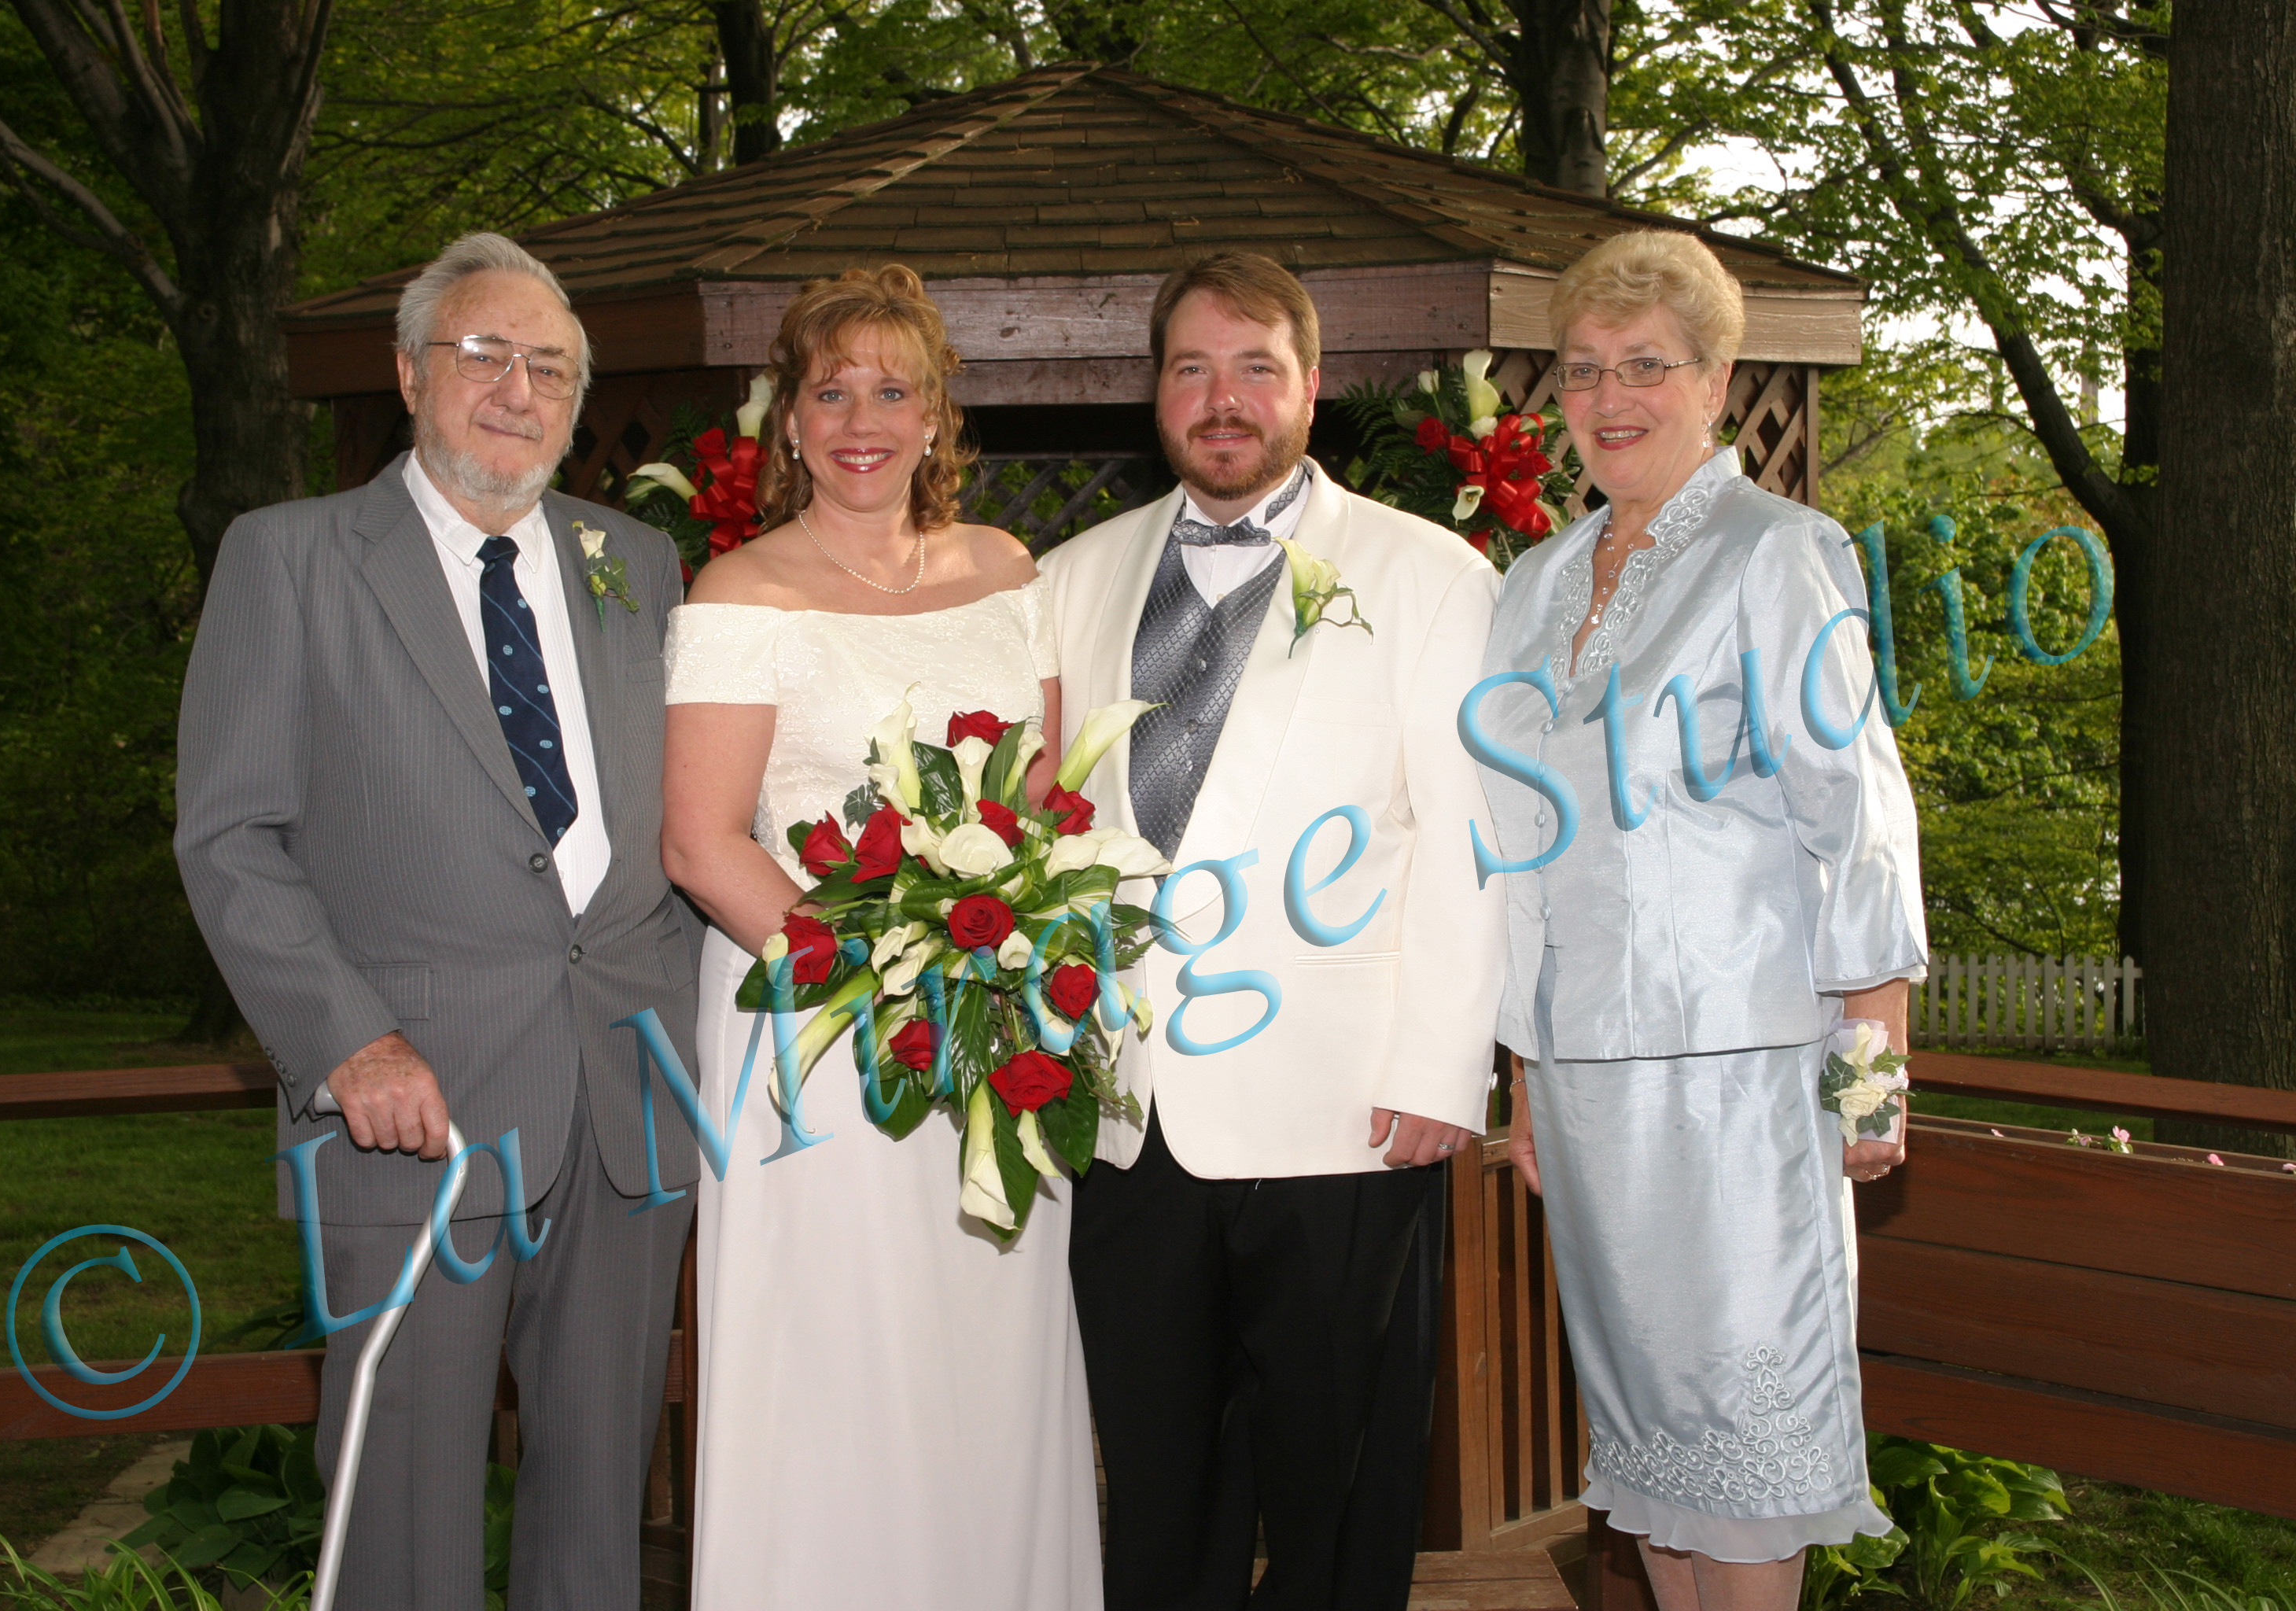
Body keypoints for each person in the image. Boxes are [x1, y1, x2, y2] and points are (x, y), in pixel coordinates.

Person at [175, 232, 702, 1611]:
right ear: (410, 373)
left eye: (551, 367)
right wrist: (347, 1043)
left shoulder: (637, 561)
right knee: (402, 1512)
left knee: (601, 1510)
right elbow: (229, 838)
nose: (519, 389)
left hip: (629, 1103)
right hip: (409, 1108)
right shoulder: (290, 557)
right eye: (485, 353)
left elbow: (693, 816)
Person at [1040, 250, 1505, 1610]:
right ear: (1156, 392)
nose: (1222, 398)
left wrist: (1442, 1071)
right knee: (1157, 1477)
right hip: (1129, 1114)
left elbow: (1473, 836)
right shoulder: (1073, 576)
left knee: (1336, 1484)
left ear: (1312, 389)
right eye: (1191, 368)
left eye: (1256, 368)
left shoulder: (1429, 574)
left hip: (1344, 1113)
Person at [1473, 229, 1926, 1611]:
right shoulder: (1534, 585)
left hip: (1744, 1083)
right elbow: (1520, 852)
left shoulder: (1778, 553)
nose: (1610, 397)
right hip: (1589, 1084)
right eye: (1583, 368)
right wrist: (1530, 1073)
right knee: (1654, 1451)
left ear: (1717, 381)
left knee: (1746, 1448)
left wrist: (1872, 1077)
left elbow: (1857, 815)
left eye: (1647, 366)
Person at [660, 264, 1100, 1610]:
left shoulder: (1004, 569)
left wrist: (1003, 961)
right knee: (839, 1361)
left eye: (893, 391)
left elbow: (1040, 796)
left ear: (935, 416)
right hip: (816, 1024)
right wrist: (891, 979)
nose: (863, 420)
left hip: (995, 1023)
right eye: (831, 392)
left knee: (989, 1348)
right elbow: (704, 844)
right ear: (789, 422)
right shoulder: (739, 592)